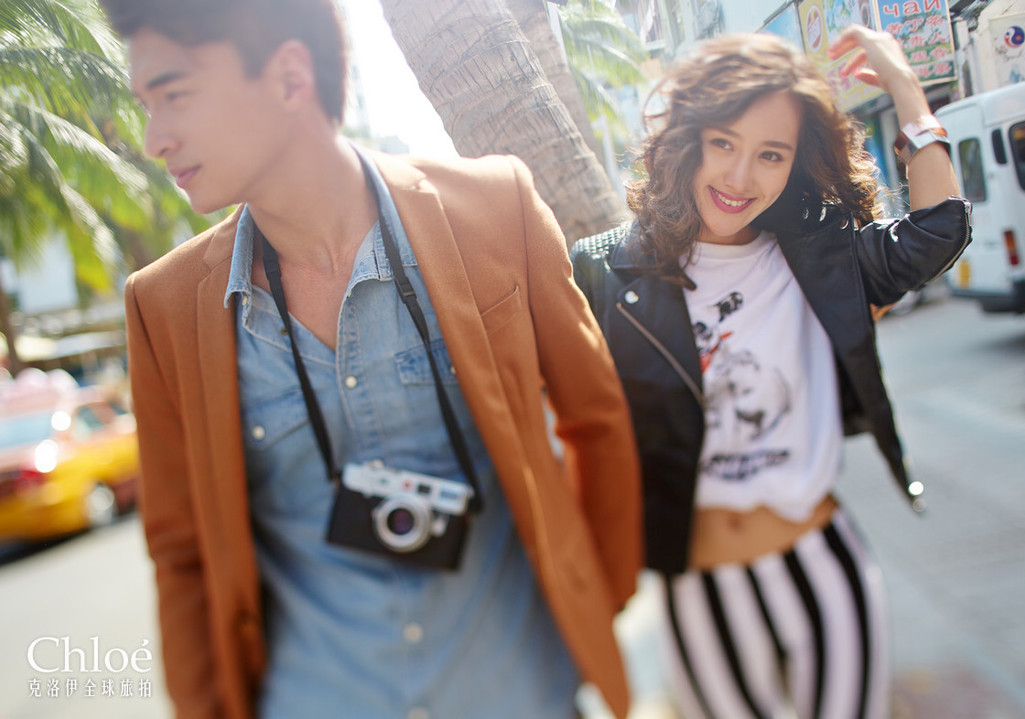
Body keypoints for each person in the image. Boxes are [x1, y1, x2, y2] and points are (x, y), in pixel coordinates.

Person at [100, 0, 643, 717]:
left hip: (523, 691)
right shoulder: (162, 307)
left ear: (290, 76)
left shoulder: (493, 209)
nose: (152, 139)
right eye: (146, 105)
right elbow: (181, 552)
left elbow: (595, 418)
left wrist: (595, 596)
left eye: (174, 94)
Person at [571, 27, 970, 719]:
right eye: (723, 143)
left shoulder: (818, 256)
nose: (739, 177)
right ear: (688, 139)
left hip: (820, 564)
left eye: (770, 154)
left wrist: (908, 92)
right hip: (701, 587)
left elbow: (936, 232)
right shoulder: (609, 272)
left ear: (795, 162)